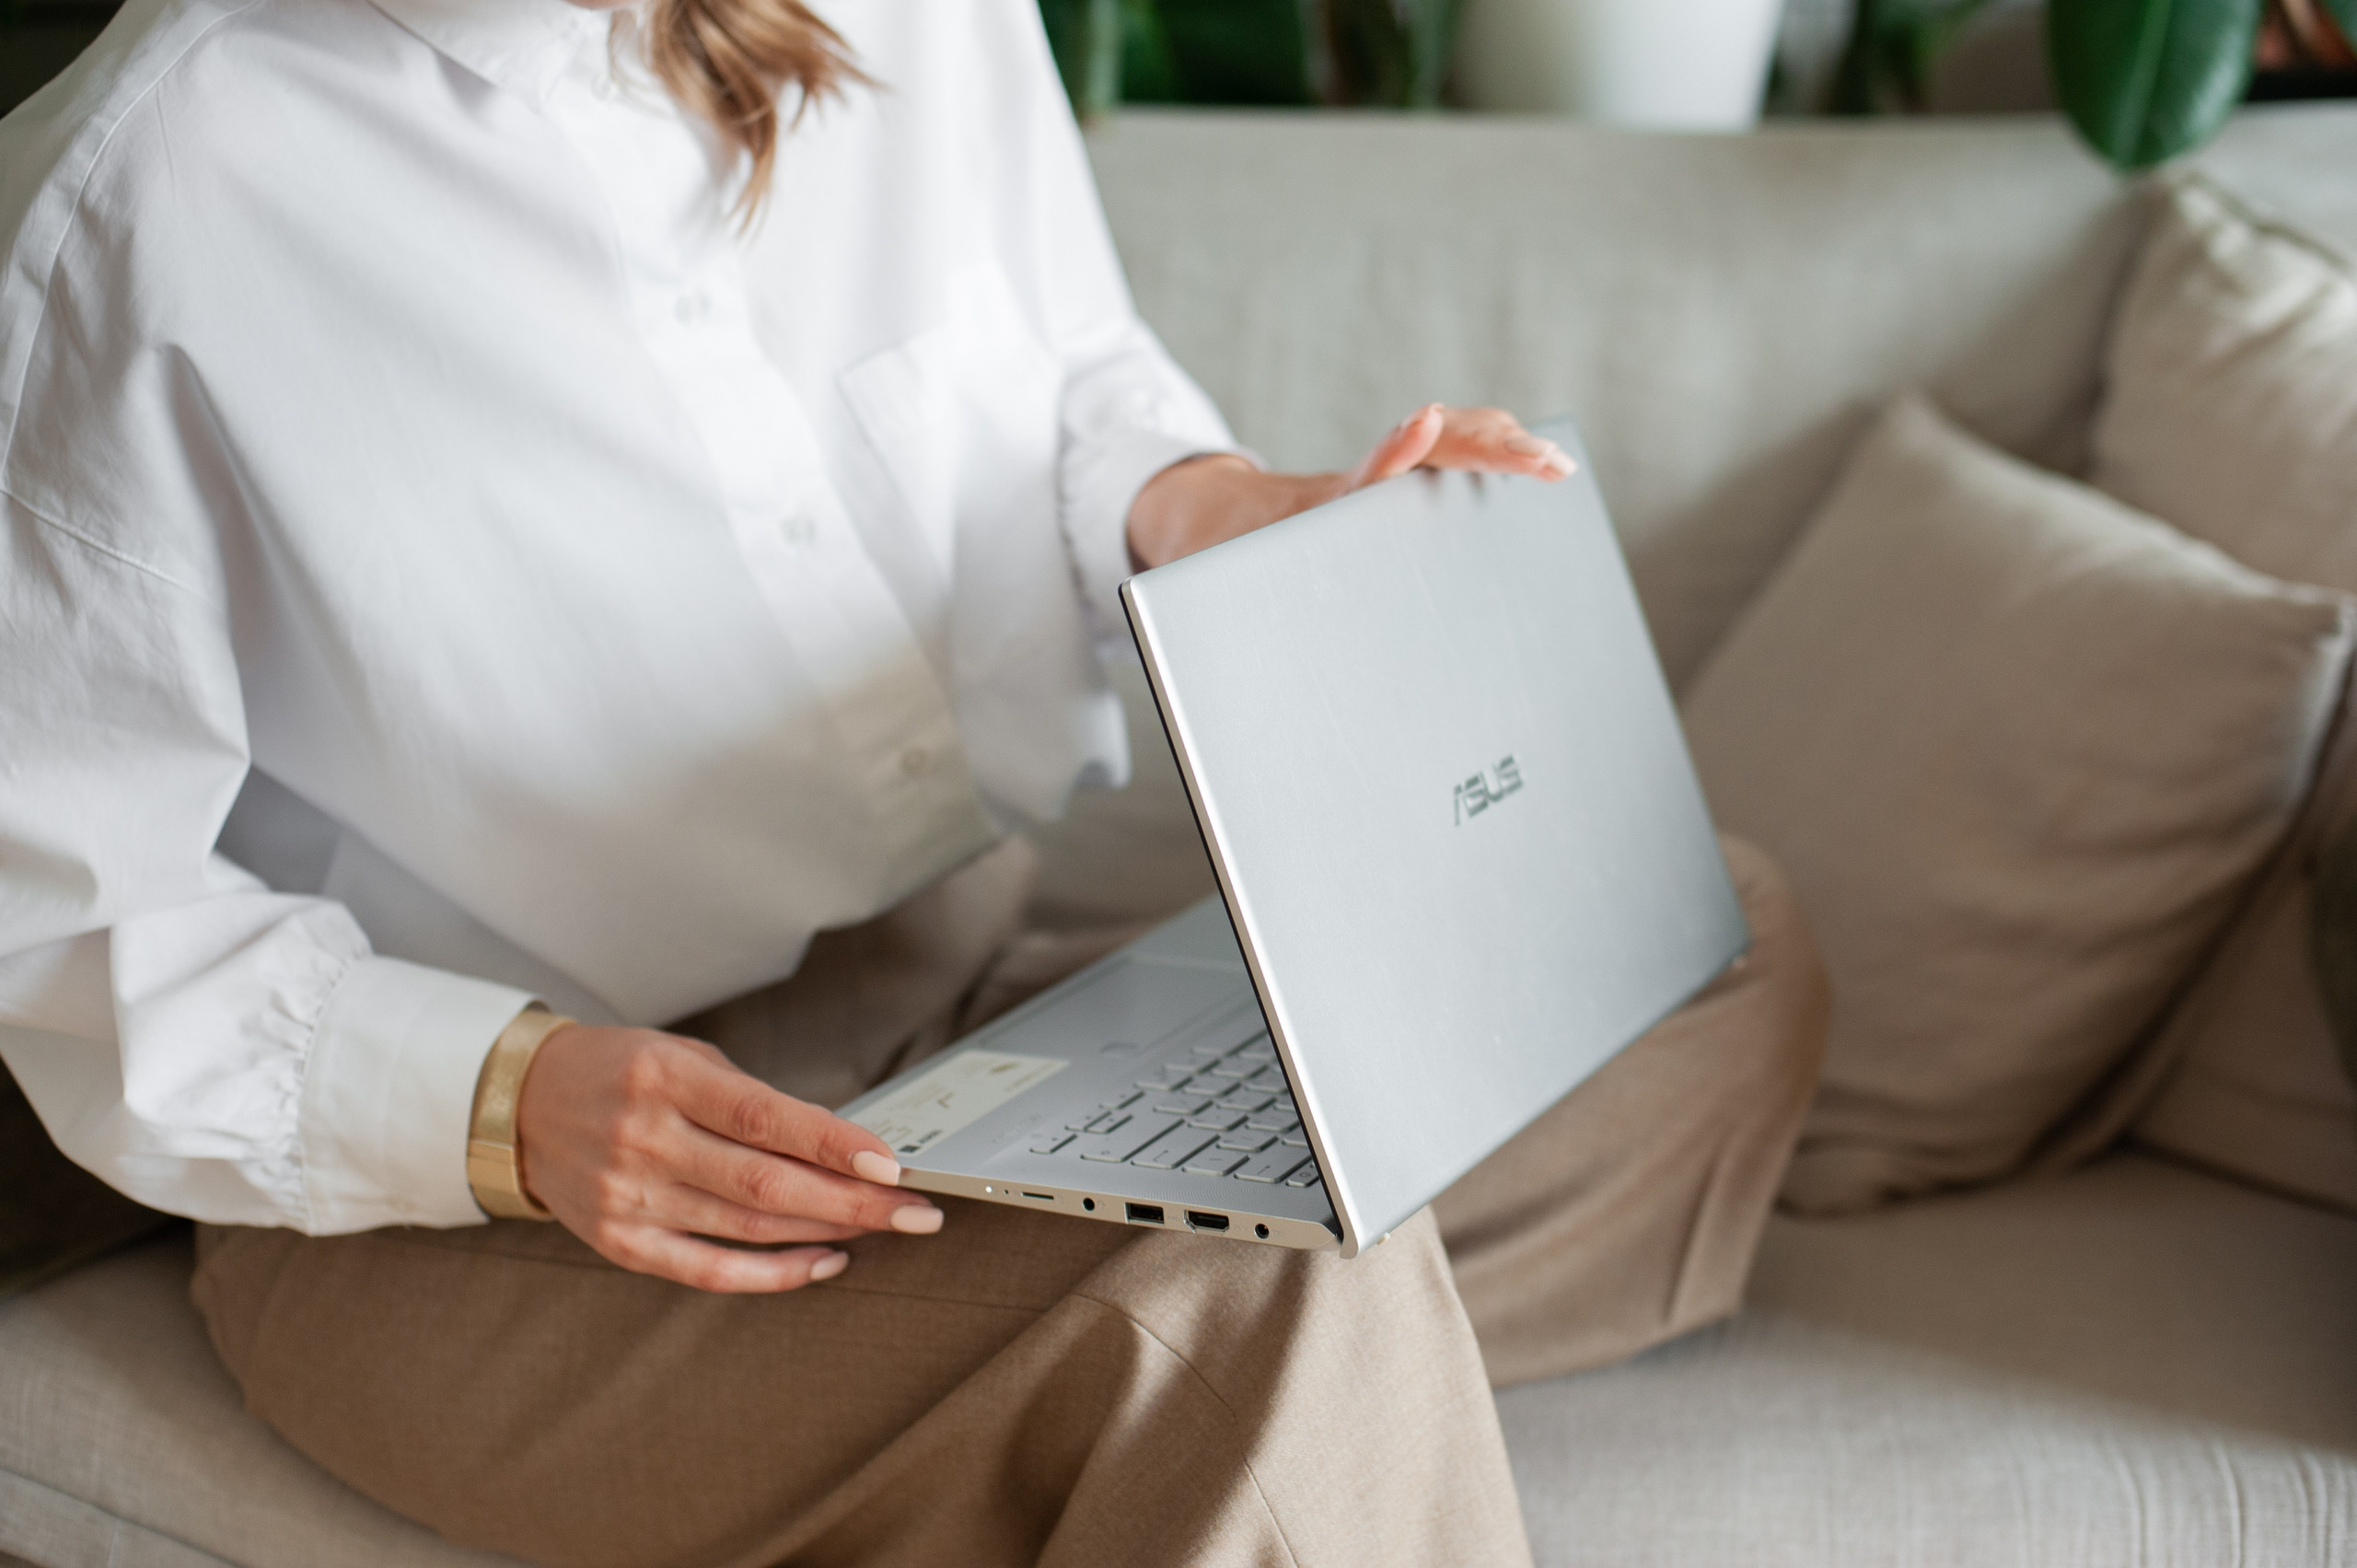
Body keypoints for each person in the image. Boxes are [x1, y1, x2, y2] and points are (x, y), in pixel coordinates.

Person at [0, 0, 1829, 1562]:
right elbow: (63, 930)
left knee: (1696, 933)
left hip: (967, 1024)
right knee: (1266, 1286)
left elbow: (1066, 376)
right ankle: (1177, 1401)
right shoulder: (151, 192)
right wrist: (515, 1102)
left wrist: (1225, 515)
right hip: (488, 1211)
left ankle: (1100, 1419)